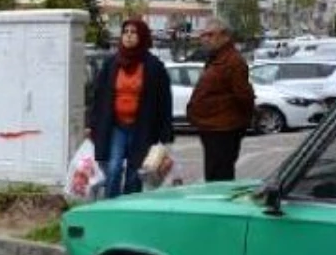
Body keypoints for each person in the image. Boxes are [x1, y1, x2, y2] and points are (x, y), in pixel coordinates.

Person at [86, 18, 174, 198]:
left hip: (143, 127)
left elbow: (165, 101)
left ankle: (128, 205)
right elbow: (99, 95)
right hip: (117, 125)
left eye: (133, 32)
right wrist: (91, 123)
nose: (129, 36)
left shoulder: (153, 66)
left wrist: (165, 132)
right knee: (114, 168)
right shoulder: (112, 64)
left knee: (135, 172)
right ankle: (110, 207)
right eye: (125, 32)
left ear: (142, 36)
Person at [187, 17, 255, 182]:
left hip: (224, 129)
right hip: (212, 128)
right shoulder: (216, 58)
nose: (206, 39)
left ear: (225, 36)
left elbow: (244, 96)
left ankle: (221, 206)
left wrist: (239, 123)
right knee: (213, 175)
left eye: (210, 35)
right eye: (204, 35)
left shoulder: (233, 61)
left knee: (220, 177)